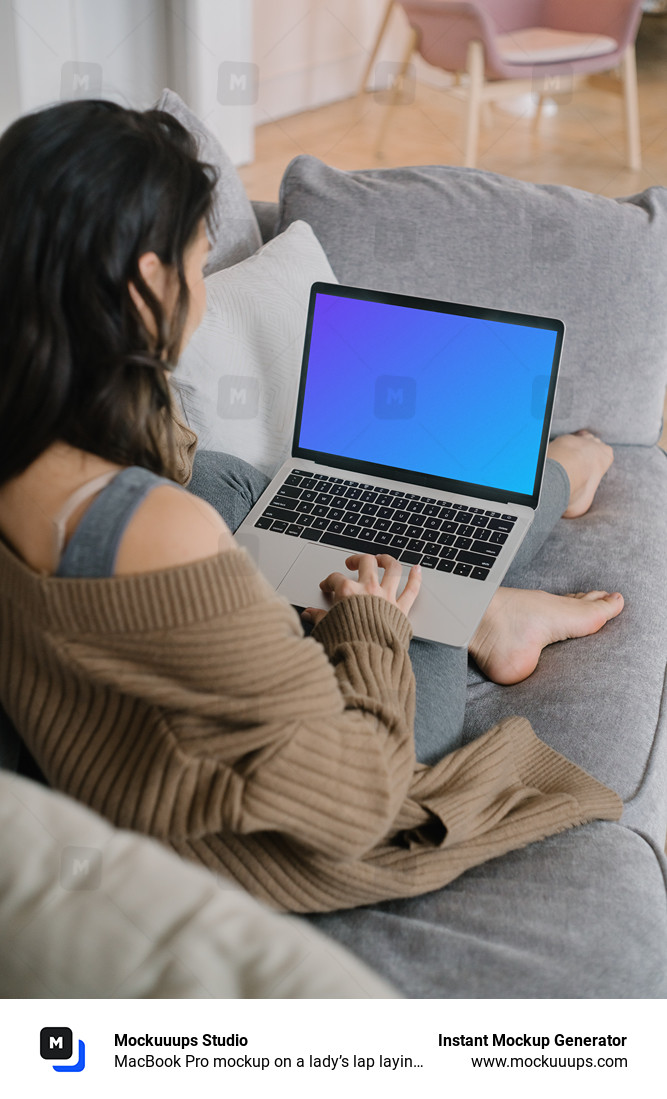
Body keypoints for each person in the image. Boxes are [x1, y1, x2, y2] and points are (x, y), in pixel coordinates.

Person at [0, 101, 624, 914]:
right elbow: (356, 792)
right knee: (412, 558)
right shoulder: (166, 531)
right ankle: (505, 568)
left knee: (229, 475)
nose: (202, 290)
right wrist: (368, 624)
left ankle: (496, 558)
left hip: (151, 711)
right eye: (195, 262)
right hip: (267, 816)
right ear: (146, 280)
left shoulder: (30, 438)